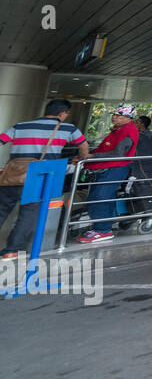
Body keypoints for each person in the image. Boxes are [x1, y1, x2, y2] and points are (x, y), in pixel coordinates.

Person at [0, 99, 90, 259]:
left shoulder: (20, 125)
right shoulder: (68, 128)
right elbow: (83, 146)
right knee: (28, 214)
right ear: (63, 113)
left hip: (12, 175)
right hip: (39, 176)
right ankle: (12, 250)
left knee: (1, 210)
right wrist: (81, 159)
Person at [77, 105, 141, 243]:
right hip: (108, 167)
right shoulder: (118, 129)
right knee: (102, 196)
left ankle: (102, 230)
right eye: (114, 114)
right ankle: (103, 226)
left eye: (119, 116)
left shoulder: (128, 131)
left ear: (128, 118)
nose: (114, 117)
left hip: (114, 168)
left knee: (100, 196)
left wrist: (92, 156)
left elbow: (118, 154)